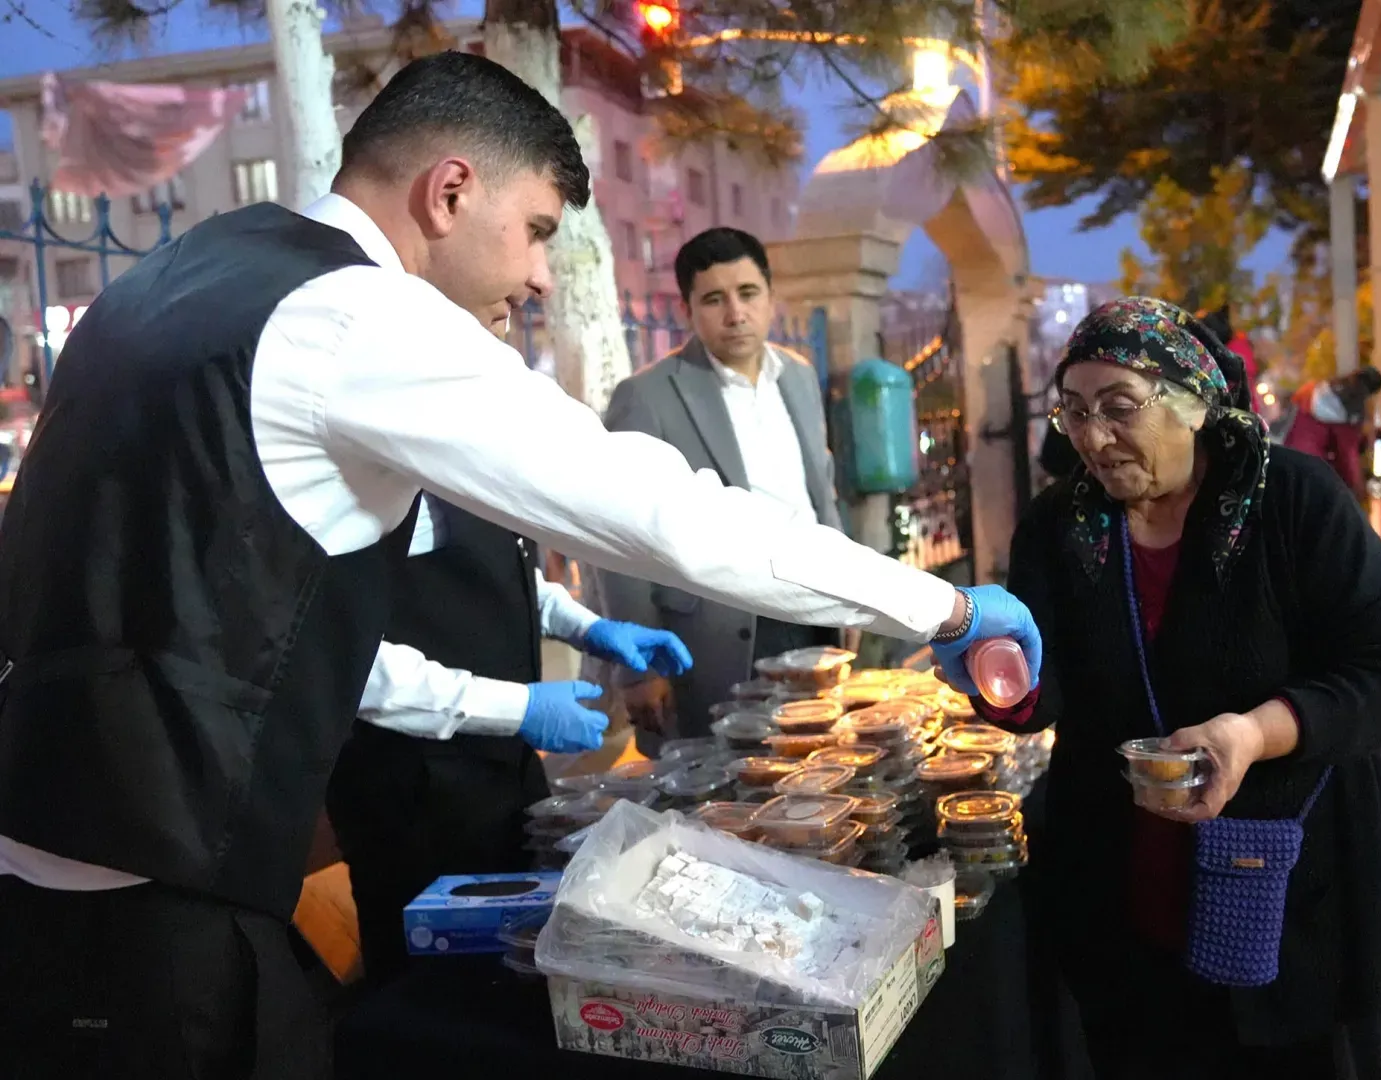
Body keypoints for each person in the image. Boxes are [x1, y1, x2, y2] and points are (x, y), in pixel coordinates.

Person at [0, 51, 1039, 1079]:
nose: (542, 274)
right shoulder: (358, 312)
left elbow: (238, 606)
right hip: (166, 890)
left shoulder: (180, 274)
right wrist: (944, 609)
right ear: (450, 191)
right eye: (538, 229)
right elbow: (658, 511)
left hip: (55, 853)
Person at [980, 297, 1381, 1079]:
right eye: (1075, 413)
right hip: (1129, 899)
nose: (1093, 437)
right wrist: (993, 669)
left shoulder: (1293, 500)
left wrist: (1254, 733)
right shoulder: (1061, 526)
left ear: (1193, 404)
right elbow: (1040, 695)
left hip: (1307, 892)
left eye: (1119, 407)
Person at [326, 492, 691, 988]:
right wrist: (518, 708)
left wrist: (586, 627)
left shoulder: (461, 468)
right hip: (408, 794)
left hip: (505, 771)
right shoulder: (342, 493)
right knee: (434, 993)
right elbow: (352, 662)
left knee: (522, 966)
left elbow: (502, 571)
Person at [598, 227, 844, 748]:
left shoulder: (797, 378)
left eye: (748, 293)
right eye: (714, 299)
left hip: (813, 609)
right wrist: (639, 668)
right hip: (715, 636)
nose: (736, 314)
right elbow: (620, 534)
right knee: (726, 779)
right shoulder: (647, 397)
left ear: (771, 297)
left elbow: (820, 492)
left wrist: (848, 591)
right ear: (687, 309)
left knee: (817, 765)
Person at [1283, 365, 1381, 497]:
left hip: (1289, 465)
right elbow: (1348, 459)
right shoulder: (1350, 415)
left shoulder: (1309, 391)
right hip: (1315, 477)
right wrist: (1358, 491)